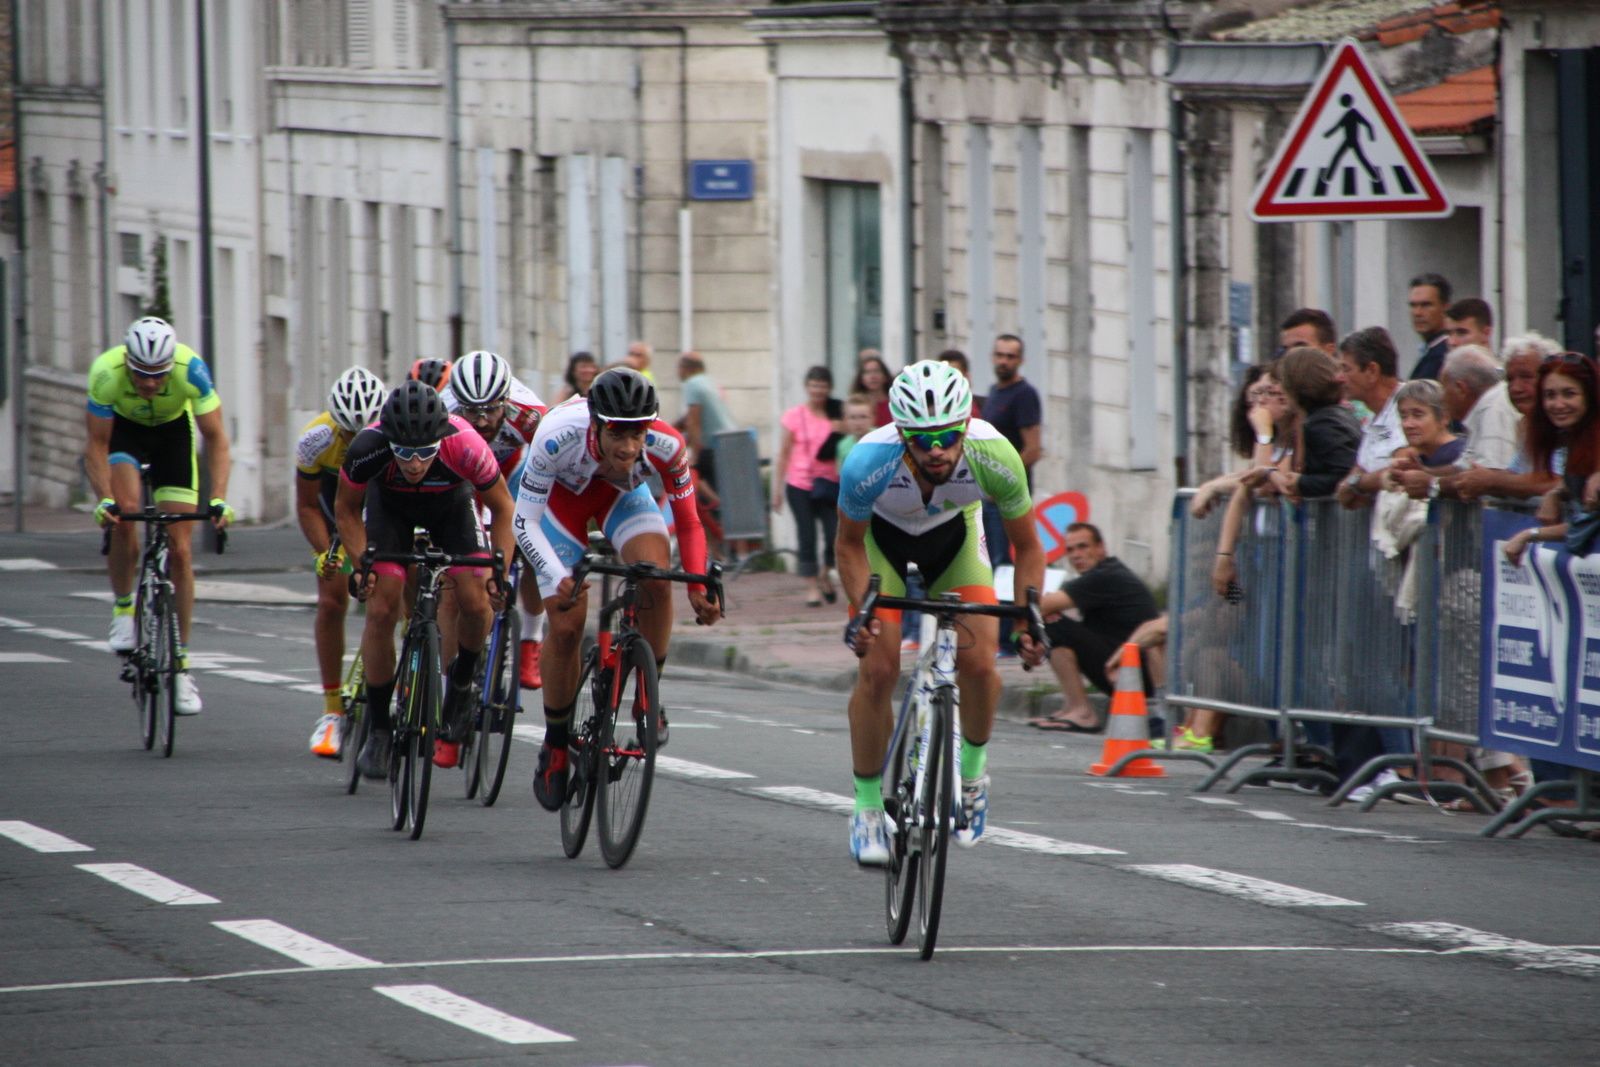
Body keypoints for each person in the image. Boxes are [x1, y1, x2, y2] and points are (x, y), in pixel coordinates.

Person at [838, 360, 1046, 864]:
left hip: (955, 539)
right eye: (923, 440)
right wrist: (863, 613)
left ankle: (971, 777)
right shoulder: (869, 460)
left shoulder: (995, 454)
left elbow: (1028, 547)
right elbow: (848, 545)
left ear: (966, 426)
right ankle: (867, 808)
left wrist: (1028, 621)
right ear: (901, 434)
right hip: (882, 543)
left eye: (949, 437)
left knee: (979, 663)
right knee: (879, 670)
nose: (937, 450)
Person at [513, 368, 722, 810]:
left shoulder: (667, 445)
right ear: (595, 423)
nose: (629, 447)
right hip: (561, 507)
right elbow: (524, 521)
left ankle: (647, 694)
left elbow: (689, 522)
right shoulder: (555, 435)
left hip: (621, 499)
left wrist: (699, 583)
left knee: (657, 580)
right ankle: (555, 744)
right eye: (617, 434)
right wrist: (556, 574)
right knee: (566, 625)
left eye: (638, 433)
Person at [337, 381, 516, 778]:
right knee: (381, 608)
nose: (415, 464)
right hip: (390, 510)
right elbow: (346, 511)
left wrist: (499, 571)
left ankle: (463, 683)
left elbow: (504, 508)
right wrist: (360, 564)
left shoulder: (465, 444)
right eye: (404, 453)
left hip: (450, 506)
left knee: (476, 599)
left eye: (424, 452)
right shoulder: (368, 447)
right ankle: (380, 729)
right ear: (389, 440)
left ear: (441, 438)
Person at [86, 317, 234, 716]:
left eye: (158, 374)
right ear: (127, 363)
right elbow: (96, 445)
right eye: (141, 373)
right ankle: (123, 609)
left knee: (181, 551)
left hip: (173, 435)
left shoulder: (191, 370)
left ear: (171, 366)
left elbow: (217, 439)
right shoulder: (106, 374)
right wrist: (104, 500)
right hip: (125, 433)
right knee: (126, 513)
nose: (149, 383)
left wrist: (219, 499)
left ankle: (181, 665)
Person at [445, 350, 550, 692]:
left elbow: (554, 467)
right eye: (471, 411)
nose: (481, 421)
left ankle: (531, 640)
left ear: (506, 400)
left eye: (491, 409)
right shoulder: (443, 413)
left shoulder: (530, 415)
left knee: (534, 544)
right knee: (461, 566)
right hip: (464, 475)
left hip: (513, 471)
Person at [297, 366, 387, 758]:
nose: (357, 441)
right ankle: (332, 711)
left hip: (380, 508)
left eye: (364, 432)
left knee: (395, 596)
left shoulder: (395, 435)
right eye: (349, 433)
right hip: (336, 512)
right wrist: (324, 555)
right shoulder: (315, 439)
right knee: (332, 600)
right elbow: (306, 506)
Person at [1027, 524, 1159, 734]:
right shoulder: (1104, 573)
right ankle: (1071, 707)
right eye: (1070, 550)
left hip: (1135, 676)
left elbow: (1040, 606)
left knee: (1054, 625)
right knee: (1053, 622)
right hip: (1125, 669)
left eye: (1083, 547)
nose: (1076, 555)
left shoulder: (1106, 576)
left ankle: (1082, 712)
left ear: (1101, 548)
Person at [1503, 354, 1600, 567]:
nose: (1558, 404)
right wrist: (1555, 493)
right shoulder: (1575, 440)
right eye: (1550, 395)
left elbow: (1585, 526)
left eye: (1569, 394)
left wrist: (1529, 535)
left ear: (1589, 396)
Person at [1389, 346, 1518, 501]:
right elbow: (1462, 468)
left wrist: (1431, 484)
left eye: (1444, 391)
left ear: (1461, 389)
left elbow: (1488, 481)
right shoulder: (1484, 408)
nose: (1442, 399)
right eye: (1403, 416)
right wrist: (1423, 472)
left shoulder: (1494, 407)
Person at [1453, 333, 1564, 502]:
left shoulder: (1565, 422)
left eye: (1526, 377)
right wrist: (1477, 479)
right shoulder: (1529, 424)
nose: (1515, 388)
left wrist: (1491, 480)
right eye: (1510, 379)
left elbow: (1555, 480)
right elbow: (1515, 475)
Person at [773, 366, 844, 608]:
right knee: (807, 535)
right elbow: (784, 453)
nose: (818, 390)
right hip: (799, 483)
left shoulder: (836, 414)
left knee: (834, 532)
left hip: (829, 483)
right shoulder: (794, 415)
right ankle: (811, 588)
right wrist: (777, 491)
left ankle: (825, 573)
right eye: (814, 385)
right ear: (806, 387)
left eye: (822, 386)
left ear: (829, 388)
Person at [980, 334, 1043, 573]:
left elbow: (1032, 450)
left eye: (1010, 356)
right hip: (987, 494)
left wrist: (1002, 482)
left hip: (1007, 494)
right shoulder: (994, 391)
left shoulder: (1024, 394)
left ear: (1021, 360)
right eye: (999, 355)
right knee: (986, 561)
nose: (1004, 361)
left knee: (1001, 564)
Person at [1334, 327, 1405, 508]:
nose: (1339, 378)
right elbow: (1358, 472)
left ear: (1372, 371)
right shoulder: (1376, 417)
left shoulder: (1408, 407)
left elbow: (1401, 468)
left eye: (1346, 369)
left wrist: (1357, 483)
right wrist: (1358, 483)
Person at [675, 351, 736, 493]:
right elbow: (687, 419)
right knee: (722, 488)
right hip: (729, 441)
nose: (678, 372)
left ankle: (715, 504)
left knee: (693, 475)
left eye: (679, 367)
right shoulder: (711, 382)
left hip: (713, 448)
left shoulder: (692, 384)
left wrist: (694, 456)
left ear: (688, 368)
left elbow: (694, 421)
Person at [1406, 272, 1452, 382]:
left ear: (1446, 307)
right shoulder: (1430, 351)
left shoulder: (1445, 355)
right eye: (1413, 305)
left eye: (1426, 305)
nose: (1417, 313)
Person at [850, 354, 893, 427]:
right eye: (867, 372)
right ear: (861, 379)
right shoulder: (855, 405)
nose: (873, 376)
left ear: (885, 376)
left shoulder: (894, 404)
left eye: (877, 371)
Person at [835, 393, 876, 468]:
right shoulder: (843, 445)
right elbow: (842, 472)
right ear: (845, 420)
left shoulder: (882, 439)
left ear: (873, 418)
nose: (858, 422)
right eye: (853, 417)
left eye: (863, 417)